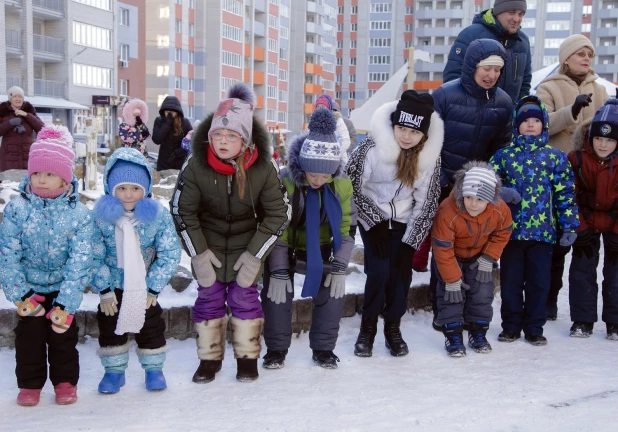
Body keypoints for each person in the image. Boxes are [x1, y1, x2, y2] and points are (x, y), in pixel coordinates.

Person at [170, 83, 290, 383]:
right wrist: (198, 254)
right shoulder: (196, 165)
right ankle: (209, 359)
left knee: (244, 298)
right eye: (217, 135)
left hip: (246, 245)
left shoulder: (263, 167)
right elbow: (181, 211)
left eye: (231, 136)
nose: (223, 142)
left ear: (245, 141)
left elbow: (280, 212)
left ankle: (247, 358)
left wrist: (255, 256)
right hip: (208, 244)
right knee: (208, 297)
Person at [0, 125, 94, 406]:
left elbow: (80, 260)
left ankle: (65, 382)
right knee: (28, 339)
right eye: (37, 173)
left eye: (50, 174)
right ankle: (30, 385)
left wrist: (66, 303)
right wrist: (21, 295)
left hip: (61, 290)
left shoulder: (79, 215)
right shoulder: (17, 209)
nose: (41, 179)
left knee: (63, 337)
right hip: (29, 289)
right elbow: (8, 254)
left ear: (65, 179)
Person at [346, 89, 443, 358]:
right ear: (394, 124)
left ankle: (393, 327)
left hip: (404, 221)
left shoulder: (429, 159)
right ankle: (367, 329)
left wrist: (412, 242)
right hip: (373, 219)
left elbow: (427, 201)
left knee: (401, 275)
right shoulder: (372, 146)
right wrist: (372, 221)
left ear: (424, 135)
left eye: (414, 132)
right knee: (378, 273)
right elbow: (351, 186)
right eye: (401, 128)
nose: (406, 136)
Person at [261, 108, 357, 369]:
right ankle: (276, 349)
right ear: (302, 166)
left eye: (324, 176)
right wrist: (280, 269)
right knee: (277, 292)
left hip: (324, 246)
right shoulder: (285, 181)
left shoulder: (342, 186)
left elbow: (348, 227)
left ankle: (324, 349)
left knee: (333, 290)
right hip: (286, 245)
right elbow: (276, 226)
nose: (317, 180)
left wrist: (339, 264)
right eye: (313, 174)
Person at [427, 38, 513, 327]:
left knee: (475, 248)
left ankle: (471, 312)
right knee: (443, 248)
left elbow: (501, 148)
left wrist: (493, 187)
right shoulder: (445, 95)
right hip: (445, 185)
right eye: (486, 68)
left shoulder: (503, 102)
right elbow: (429, 142)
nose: (491, 75)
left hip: (479, 190)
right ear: (472, 67)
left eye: (497, 70)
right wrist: (439, 181)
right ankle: (443, 311)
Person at [91, 147, 181, 394]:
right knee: (110, 328)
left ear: (146, 189)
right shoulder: (100, 219)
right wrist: (104, 289)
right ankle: (114, 372)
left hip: (144, 286)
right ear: (111, 189)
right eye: (121, 188)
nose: (127, 195)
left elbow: (170, 252)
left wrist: (153, 287)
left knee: (151, 328)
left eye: (134, 188)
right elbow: (93, 254)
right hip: (112, 286)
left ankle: (153, 369)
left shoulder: (157, 217)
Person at [490, 95, 579, 346]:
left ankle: (534, 327)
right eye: (525, 120)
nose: (530, 124)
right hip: (511, 234)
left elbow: (565, 194)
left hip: (543, 235)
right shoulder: (503, 156)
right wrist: (500, 192)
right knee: (511, 283)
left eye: (535, 121)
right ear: (516, 125)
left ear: (544, 125)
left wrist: (569, 225)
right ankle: (510, 326)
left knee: (539, 283)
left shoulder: (555, 157)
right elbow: (486, 184)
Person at [535, 34, 610, 320]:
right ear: (566, 58)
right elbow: (540, 126)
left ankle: (584, 308)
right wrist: (572, 111)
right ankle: (549, 299)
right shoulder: (548, 87)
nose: (586, 58)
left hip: (591, 178)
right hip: (557, 176)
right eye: (580, 53)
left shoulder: (600, 90)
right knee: (555, 246)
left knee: (584, 244)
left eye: (589, 54)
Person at [432, 162, 512, 357]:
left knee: (482, 293)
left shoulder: (499, 209)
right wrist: (451, 278)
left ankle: (478, 332)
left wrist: (489, 256)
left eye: (480, 199)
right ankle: (453, 334)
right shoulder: (448, 211)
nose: (473, 204)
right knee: (451, 294)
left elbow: (504, 231)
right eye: (468, 197)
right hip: (451, 255)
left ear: (490, 199)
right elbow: (442, 248)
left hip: (479, 256)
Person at [567, 99, 618, 341]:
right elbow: (569, 195)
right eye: (599, 138)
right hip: (585, 220)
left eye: (610, 140)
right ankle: (582, 319)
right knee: (582, 269)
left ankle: (615, 321)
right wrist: (579, 227)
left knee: (616, 271)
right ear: (590, 137)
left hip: (614, 220)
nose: (604, 144)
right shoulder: (576, 159)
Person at [443, 0, 531, 104]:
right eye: (511, 13)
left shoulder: (523, 41)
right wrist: (468, 108)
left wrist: (518, 111)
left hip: (508, 117)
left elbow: (524, 83)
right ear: (498, 12)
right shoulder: (471, 35)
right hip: (472, 115)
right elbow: (453, 76)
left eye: (521, 14)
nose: (516, 19)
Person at [0, 86, 44, 171]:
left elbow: (42, 129)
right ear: (10, 99)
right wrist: (10, 123)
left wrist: (27, 115)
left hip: (27, 156)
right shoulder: (3, 112)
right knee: (9, 183)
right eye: (14, 96)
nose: (17, 99)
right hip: (8, 157)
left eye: (20, 96)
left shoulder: (29, 111)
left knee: (26, 182)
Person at [152, 95, 193, 171]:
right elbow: (157, 140)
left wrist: (177, 153)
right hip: (163, 163)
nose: (170, 114)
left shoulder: (185, 122)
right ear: (163, 111)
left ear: (177, 112)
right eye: (167, 112)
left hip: (180, 162)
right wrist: (167, 124)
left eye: (172, 112)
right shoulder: (159, 121)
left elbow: (191, 141)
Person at [315, 94, 351, 164]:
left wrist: (334, 154)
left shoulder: (337, 121)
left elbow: (346, 141)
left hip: (338, 160)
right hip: (320, 160)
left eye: (323, 107)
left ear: (329, 108)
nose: (320, 109)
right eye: (318, 107)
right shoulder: (314, 122)